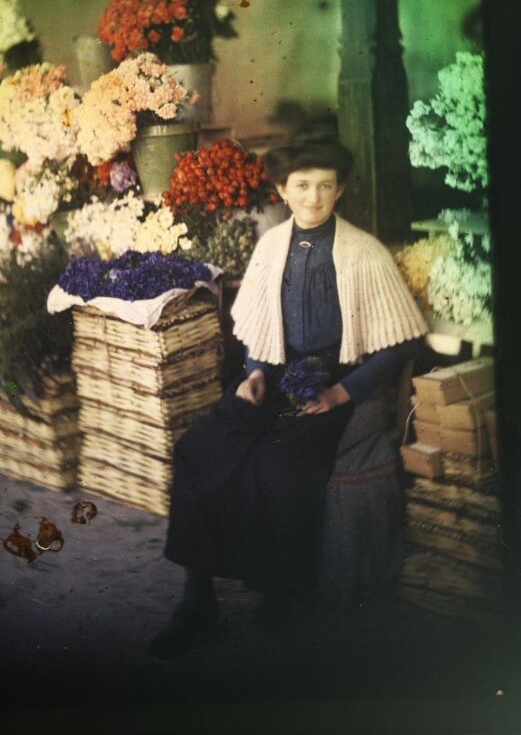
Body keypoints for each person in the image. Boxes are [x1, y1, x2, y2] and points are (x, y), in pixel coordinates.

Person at [150, 129, 427, 659]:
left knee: (281, 467)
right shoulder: (271, 246)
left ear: (340, 190)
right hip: (275, 378)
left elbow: (400, 344)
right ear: (282, 189)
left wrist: (343, 394)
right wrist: (253, 373)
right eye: (302, 186)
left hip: (335, 383)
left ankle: (279, 590)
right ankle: (197, 598)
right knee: (201, 449)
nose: (314, 198)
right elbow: (259, 331)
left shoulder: (364, 252)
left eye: (325, 186)